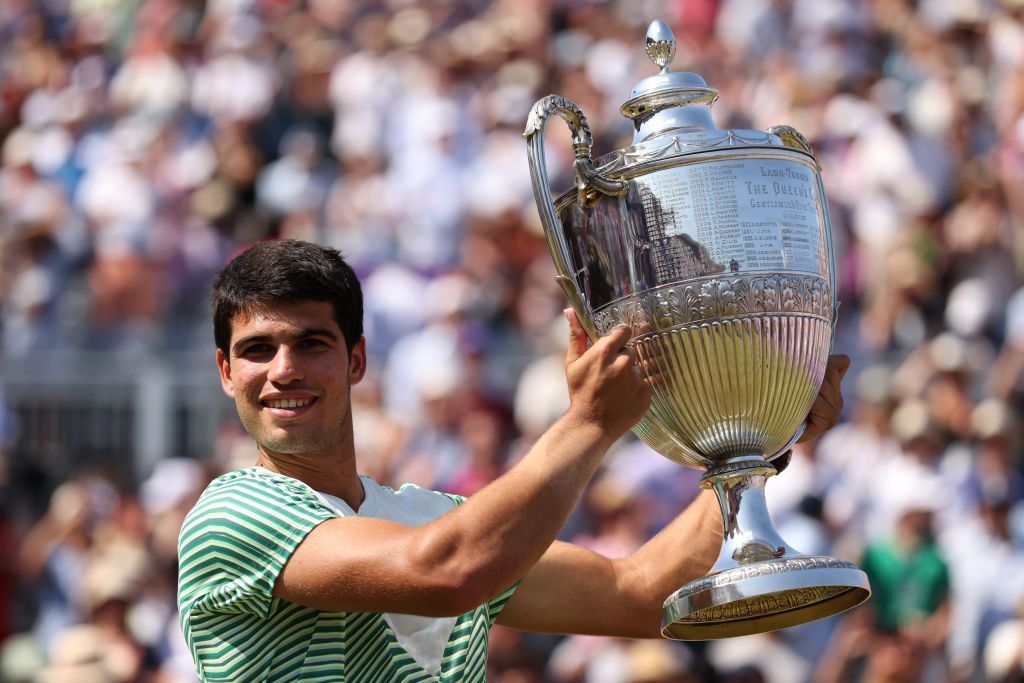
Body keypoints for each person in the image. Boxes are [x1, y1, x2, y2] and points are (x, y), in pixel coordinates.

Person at [177, 239, 850, 682]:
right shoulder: (230, 514)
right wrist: (588, 422)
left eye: (311, 343)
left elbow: (645, 594)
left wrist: (762, 442)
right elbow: (449, 572)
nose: (284, 370)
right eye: (258, 350)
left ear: (355, 359)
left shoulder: (432, 519)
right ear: (224, 371)